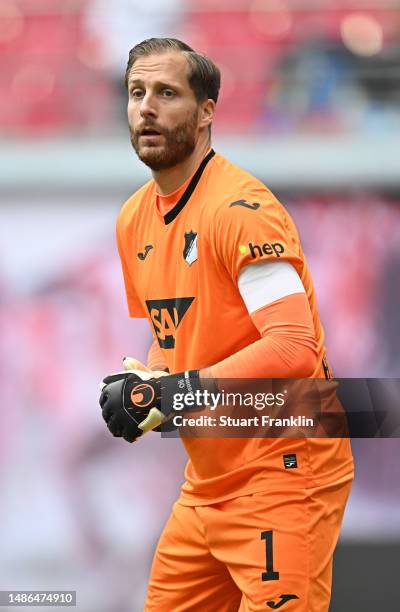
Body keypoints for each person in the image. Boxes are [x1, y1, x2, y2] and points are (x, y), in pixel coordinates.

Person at [99, 37, 354, 611]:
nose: (147, 108)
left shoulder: (240, 209)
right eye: (136, 93)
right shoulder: (133, 217)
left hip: (286, 471)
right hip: (208, 482)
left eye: (167, 93)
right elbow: (172, 338)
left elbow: (293, 346)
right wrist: (148, 388)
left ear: (207, 111)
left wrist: (182, 390)